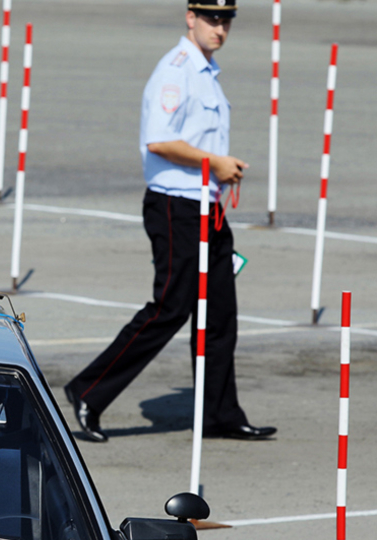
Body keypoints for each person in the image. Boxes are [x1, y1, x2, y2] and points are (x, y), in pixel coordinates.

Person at [63, 0, 276, 442]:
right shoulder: (176, 70)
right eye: (211, 18)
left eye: (226, 19)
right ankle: (89, 390)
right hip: (175, 207)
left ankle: (219, 413)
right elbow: (159, 140)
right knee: (169, 308)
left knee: (219, 315)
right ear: (190, 18)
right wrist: (215, 161)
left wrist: (217, 170)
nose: (219, 28)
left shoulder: (206, 71)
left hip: (208, 205)